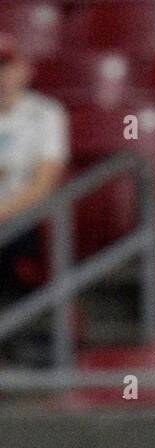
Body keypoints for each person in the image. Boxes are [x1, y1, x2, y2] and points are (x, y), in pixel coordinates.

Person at [0, 34, 69, 303]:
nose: (1, 77)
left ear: (24, 69)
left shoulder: (46, 113)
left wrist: (3, 214)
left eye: (6, 66)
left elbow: (43, 186)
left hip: (24, 219)